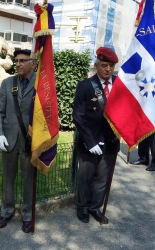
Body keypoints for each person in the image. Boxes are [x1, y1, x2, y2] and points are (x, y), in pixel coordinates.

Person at [73, 47, 120, 224]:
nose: (108, 69)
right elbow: (78, 116)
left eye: (111, 65)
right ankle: (83, 207)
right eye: (104, 65)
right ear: (96, 65)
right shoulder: (85, 86)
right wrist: (90, 141)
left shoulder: (121, 84)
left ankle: (95, 207)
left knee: (102, 179)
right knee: (86, 178)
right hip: (89, 142)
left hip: (110, 141)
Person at [0, 49, 37, 233]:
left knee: (29, 180)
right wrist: (0, 134)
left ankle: (27, 216)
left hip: (30, 141)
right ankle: (7, 211)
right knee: (8, 179)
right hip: (9, 139)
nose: (18, 64)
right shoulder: (7, 83)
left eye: (22, 61)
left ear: (33, 63)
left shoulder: (42, 84)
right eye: (17, 60)